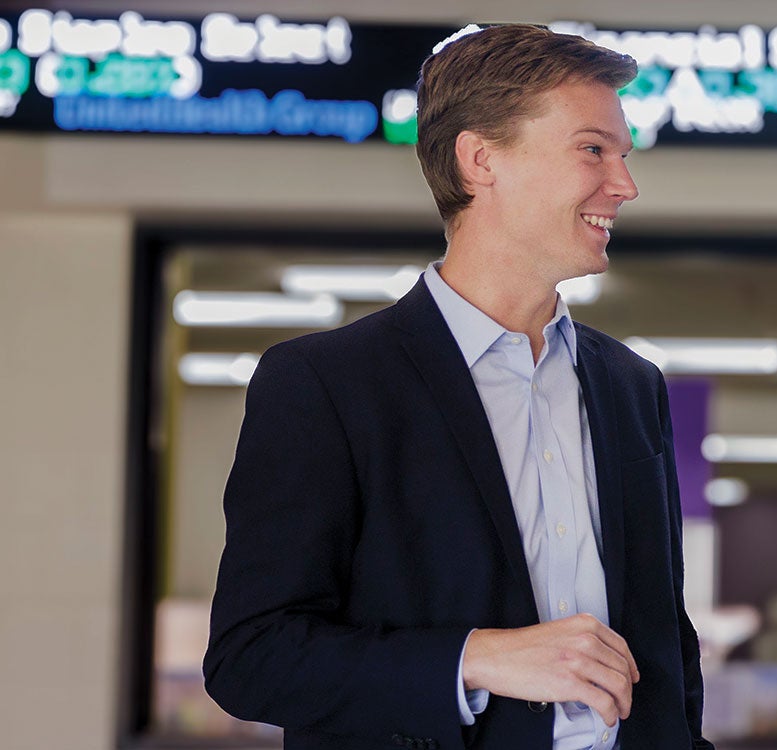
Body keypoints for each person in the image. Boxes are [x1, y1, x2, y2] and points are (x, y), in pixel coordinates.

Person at [204, 24, 711, 749]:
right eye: (592, 149)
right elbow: (252, 658)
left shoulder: (632, 387)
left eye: (623, 156)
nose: (623, 185)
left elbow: (667, 646)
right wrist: (478, 658)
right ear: (480, 161)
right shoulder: (325, 384)